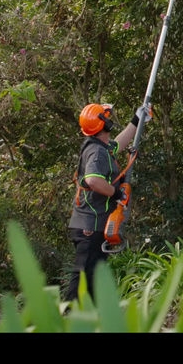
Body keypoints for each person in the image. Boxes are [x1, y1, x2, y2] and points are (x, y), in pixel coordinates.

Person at [63, 101, 151, 302]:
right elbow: (94, 180)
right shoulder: (96, 152)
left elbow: (119, 144)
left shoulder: (101, 146)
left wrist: (137, 120)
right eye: (107, 117)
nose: (110, 119)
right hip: (89, 226)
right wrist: (116, 193)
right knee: (83, 278)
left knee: (92, 278)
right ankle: (69, 319)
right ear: (102, 123)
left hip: (95, 225)